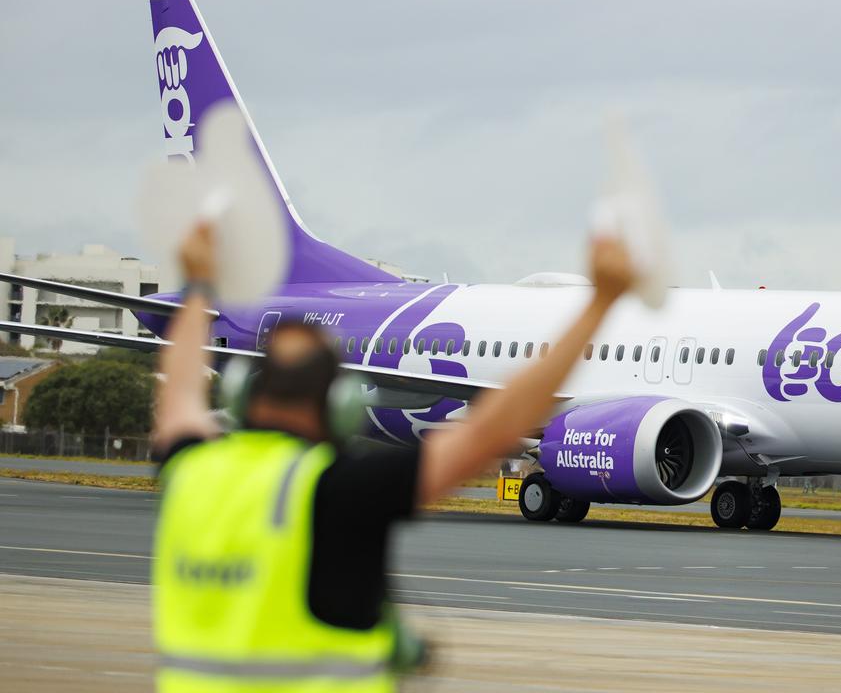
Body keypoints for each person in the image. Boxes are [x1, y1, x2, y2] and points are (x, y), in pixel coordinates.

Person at [150, 223, 634, 692]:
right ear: (341, 405)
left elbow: (180, 400)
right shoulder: (340, 490)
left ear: (240, 396)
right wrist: (602, 303)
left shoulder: (190, 471)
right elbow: (494, 430)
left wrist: (197, 287)